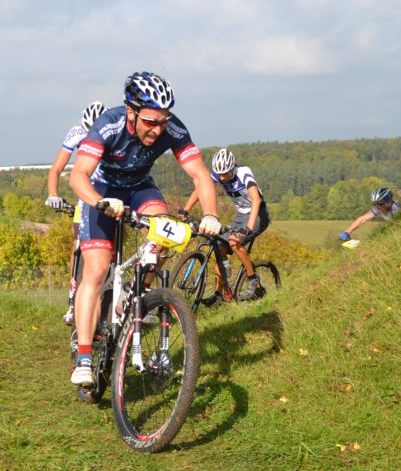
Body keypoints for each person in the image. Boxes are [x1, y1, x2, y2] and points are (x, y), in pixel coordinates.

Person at [67, 71, 221, 386]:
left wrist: (211, 214)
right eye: (150, 121)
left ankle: (132, 297)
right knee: (96, 270)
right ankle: (84, 356)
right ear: (131, 112)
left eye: (163, 121)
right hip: (102, 190)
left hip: (140, 189)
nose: (157, 129)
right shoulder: (108, 125)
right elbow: (78, 175)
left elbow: (200, 175)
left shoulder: (173, 128)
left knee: (165, 234)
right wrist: (99, 202)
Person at [44, 101, 108, 325]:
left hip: (107, 192)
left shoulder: (112, 133)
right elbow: (56, 168)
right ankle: (73, 300)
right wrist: (53, 193)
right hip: (85, 193)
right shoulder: (76, 133)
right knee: (77, 244)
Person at [180, 148, 271, 304]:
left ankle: (252, 278)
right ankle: (219, 295)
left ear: (232, 167)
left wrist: (248, 228)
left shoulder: (244, 173)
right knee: (219, 247)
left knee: (234, 241)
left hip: (258, 215)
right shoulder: (218, 174)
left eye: (225, 174)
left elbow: (256, 199)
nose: (222, 178)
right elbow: (201, 189)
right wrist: (186, 209)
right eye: (219, 174)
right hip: (241, 215)